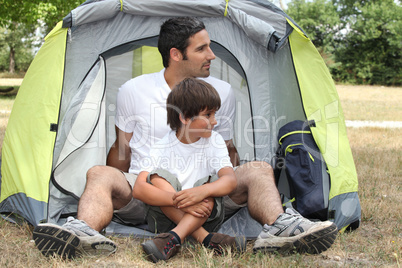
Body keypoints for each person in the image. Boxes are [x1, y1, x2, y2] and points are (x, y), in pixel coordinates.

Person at [33, 17, 338, 259]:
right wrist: (114, 185)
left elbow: (227, 148)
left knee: (257, 169)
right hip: (149, 197)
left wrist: (225, 186)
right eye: (202, 48)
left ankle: (282, 227)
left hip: (207, 198)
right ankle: (82, 232)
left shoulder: (221, 92)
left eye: (210, 47)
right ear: (176, 54)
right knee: (99, 173)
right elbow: (121, 149)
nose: (212, 55)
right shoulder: (133, 90)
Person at [133, 78, 246, 262]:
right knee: (157, 178)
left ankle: (173, 239)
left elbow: (230, 180)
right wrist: (182, 201)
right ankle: (207, 239)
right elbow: (138, 189)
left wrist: (201, 192)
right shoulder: (161, 146)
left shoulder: (215, 141)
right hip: (164, 217)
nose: (215, 121)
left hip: (206, 214)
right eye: (208, 115)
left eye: (214, 114)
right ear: (185, 117)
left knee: (209, 186)